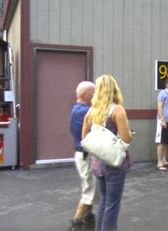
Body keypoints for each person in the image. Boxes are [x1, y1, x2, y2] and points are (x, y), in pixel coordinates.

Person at [82, 75, 133, 231]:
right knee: (112, 204)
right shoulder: (117, 110)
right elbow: (126, 138)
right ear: (114, 89)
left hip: (97, 163)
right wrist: (130, 133)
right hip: (113, 164)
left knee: (104, 201)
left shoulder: (91, 112)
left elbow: (84, 138)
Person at [67, 81, 96, 231]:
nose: (96, 95)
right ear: (85, 94)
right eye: (93, 92)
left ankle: (89, 216)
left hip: (82, 155)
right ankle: (75, 222)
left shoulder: (77, 108)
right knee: (89, 190)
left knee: (88, 185)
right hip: (85, 155)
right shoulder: (85, 111)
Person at [155, 77, 168, 171]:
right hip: (163, 121)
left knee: (166, 142)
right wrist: (162, 120)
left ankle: (163, 160)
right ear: (167, 84)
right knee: (161, 142)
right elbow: (159, 107)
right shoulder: (163, 93)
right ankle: (159, 162)